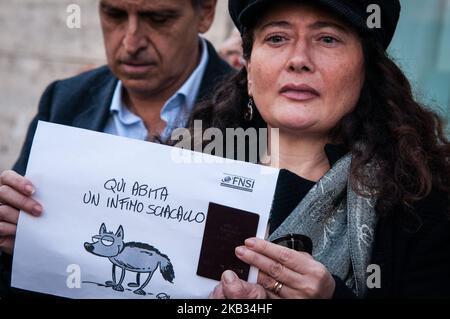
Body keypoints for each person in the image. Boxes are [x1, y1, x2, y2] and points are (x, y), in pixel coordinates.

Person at [192, 0, 450, 298]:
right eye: (277, 38)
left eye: (328, 39)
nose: (299, 59)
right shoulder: (183, 175)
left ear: (367, 69)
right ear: (249, 70)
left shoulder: (423, 209)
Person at [0, 0, 233, 297]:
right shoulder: (65, 101)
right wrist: (11, 242)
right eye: (114, 15)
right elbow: (17, 258)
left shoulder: (255, 111)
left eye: (158, 18)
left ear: (206, 13)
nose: (131, 41)